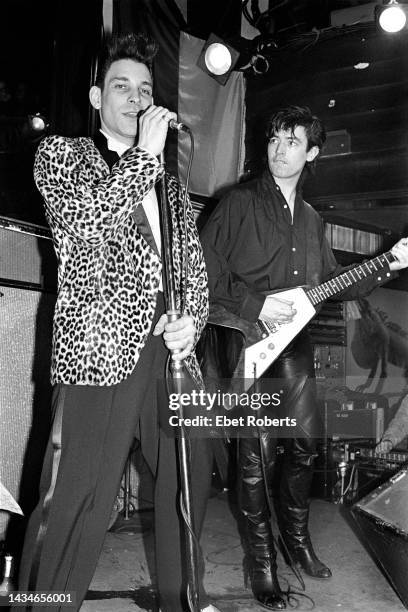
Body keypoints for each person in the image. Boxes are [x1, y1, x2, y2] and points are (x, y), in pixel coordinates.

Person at [17, 33, 219, 612]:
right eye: (122, 88)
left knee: (189, 475)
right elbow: (84, 228)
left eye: (145, 90)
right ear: (96, 96)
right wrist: (144, 160)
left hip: (168, 347)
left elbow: (193, 271)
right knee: (77, 495)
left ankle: (187, 598)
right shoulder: (62, 156)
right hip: (98, 346)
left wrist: (193, 322)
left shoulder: (172, 189)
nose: (135, 99)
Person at [200, 105, 408, 610]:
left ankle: (296, 542)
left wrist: (391, 262)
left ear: (311, 152)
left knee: (305, 446)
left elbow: (335, 283)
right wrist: (256, 303)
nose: (279, 147)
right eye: (274, 138)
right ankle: (262, 563)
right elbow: (200, 270)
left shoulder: (313, 220)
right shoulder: (237, 203)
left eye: (292, 141)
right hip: (243, 337)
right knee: (253, 457)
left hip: (294, 342)